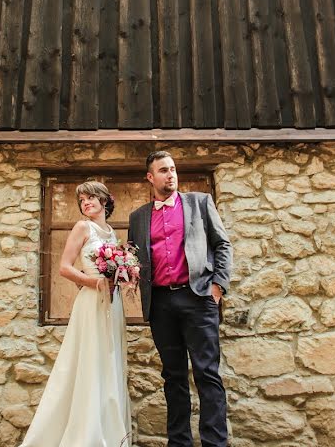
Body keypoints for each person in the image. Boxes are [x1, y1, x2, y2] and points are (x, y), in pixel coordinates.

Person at [128, 151, 232, 447]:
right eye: (163, 170)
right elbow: (133, 256)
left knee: (207, 374)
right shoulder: (138, 217)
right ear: (150, 177)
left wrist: (218, 287)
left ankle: (215, 443)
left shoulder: (199, 203)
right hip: (160, 304)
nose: (170, 174)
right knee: (173, 378)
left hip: (198, 298)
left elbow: (222, 244)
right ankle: (179, 443)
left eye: (173, 169)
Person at [19, 180, 132, 447]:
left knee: (108, 361)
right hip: (91, 301)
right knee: (89, 361)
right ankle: (85, 433)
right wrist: (94, 282)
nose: (86, 203)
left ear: (105, 201)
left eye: (91, 198)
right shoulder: (83, 227)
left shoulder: (111, 232)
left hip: (112, 304)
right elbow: (64, 267)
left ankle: (109, 430)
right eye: (82, 200)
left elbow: (116, 268)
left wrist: (125, 276)